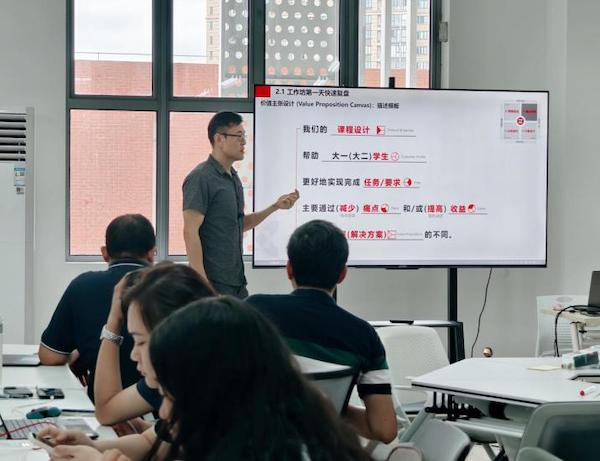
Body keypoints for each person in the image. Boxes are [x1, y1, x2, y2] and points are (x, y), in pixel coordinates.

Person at [42, 297, 371, 461]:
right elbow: (154, 442)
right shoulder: (264, 422)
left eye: (170, 396)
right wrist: (94, 448)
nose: (163, 412)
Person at [246, 219, 398, 443]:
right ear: (342, 274)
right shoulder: (364, 336)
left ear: (289, 268)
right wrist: (325, 405)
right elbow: (384, 430)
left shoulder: (253, 311)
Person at [39, 214, 155, 401]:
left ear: (105, 252)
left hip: (101, 404)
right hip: (162, 406)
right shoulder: (173, 287)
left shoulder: (82, 285)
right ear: (152, 252)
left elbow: (50, 357)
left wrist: (83, 351)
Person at [182, 111, 299, 298]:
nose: (244, 142)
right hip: (211, 283)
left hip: (236, 282)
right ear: (219, 139)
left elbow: (239, 224)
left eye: (244, 136)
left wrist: (275, 206)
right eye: (238, 136)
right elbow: (190, 232)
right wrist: (202, 284)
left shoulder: (233, 178)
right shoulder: (201, 178)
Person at [94, 262, 215, 426]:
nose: (133, 355)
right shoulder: (176, 376)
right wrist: (146, 430)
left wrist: (113, 322)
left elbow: (107, 411)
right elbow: (108, 412)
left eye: (141, 342)